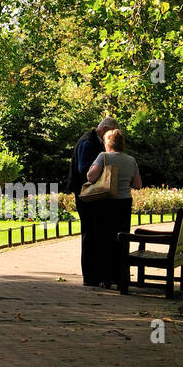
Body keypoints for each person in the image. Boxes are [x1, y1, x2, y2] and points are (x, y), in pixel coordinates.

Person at [80, 128, 142, 288]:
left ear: (108, 143)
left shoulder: (103, 157)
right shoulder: (131, 160)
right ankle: (120, 276)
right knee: (121, 240)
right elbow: (137, 184)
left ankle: (105, 278)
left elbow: (90, 176)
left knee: (104, 240)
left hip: (106, 203)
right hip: (124, 203)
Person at [71, 116, 119, 286]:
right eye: (112, 132)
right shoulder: (88, 142)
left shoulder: (93, 141)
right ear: (104, 129)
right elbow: (83, 169)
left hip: (92, 195)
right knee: (89, 234)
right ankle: (90, 276)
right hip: (86, 195)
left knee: (95, 234)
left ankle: (96, 275)